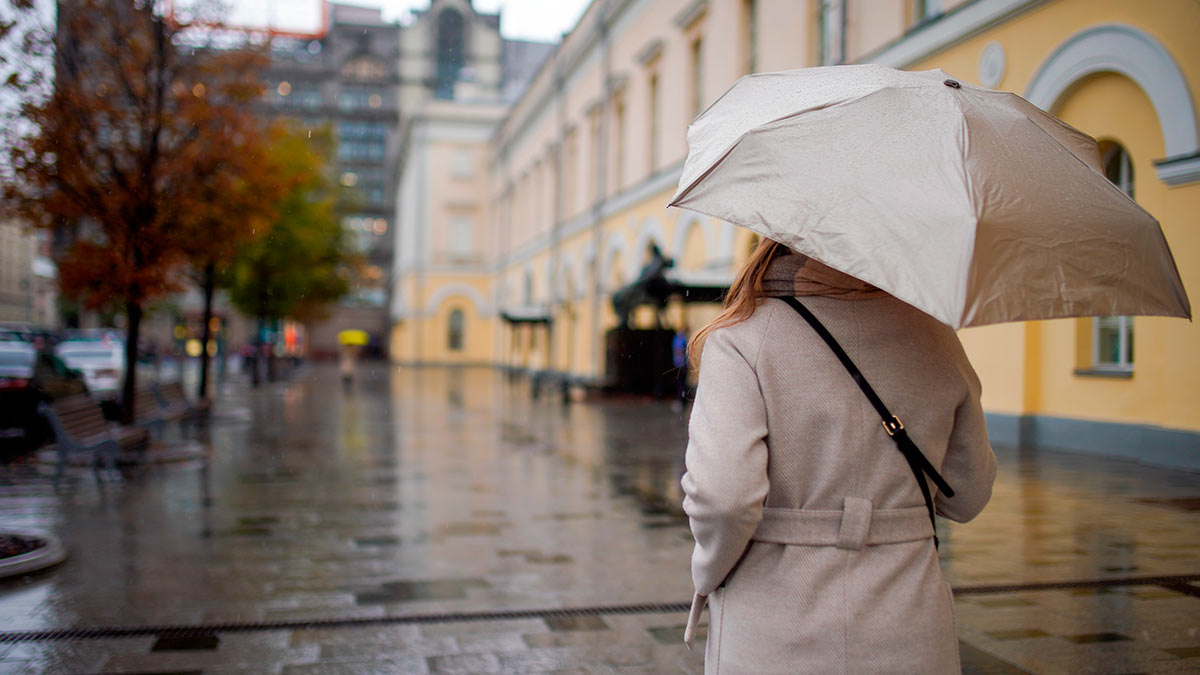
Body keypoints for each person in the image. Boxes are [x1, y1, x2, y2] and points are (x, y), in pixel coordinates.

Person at [680, 239, 997, 674]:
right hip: (909, 622)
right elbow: (968, 494)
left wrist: (707, 574)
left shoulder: (741, 338)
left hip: (775, 620)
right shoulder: (936, 336)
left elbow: (725, 498)